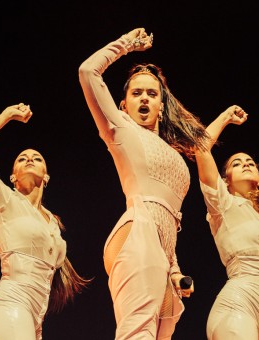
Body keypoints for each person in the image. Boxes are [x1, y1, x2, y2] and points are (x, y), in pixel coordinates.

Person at [79, 28, 207, 339]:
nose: (145, 98)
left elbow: (170, 221)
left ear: (162, 105)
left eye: (152, 93)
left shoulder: (176, 155)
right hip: (137, 233)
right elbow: (87, 72)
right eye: (136, 93)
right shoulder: (121, 129)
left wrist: (174, 271)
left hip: (163, 252)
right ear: (123, 106)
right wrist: (126, 46)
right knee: (136, 333)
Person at [0, 104, 88, 339]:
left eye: (37, 158)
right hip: (9, 305)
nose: (29, 159)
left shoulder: (52, 221)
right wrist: (7, 115)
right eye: (22, 159)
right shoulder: (6, 200)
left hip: (34, 316)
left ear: (46, 175)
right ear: (12, 176)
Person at [195, 106, 259, 339]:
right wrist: (226, 117)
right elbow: (201, 148)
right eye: (236, 164)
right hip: (236, 310)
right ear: (226, 182)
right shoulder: (223, 204)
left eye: (250, 162)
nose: (246, 164)